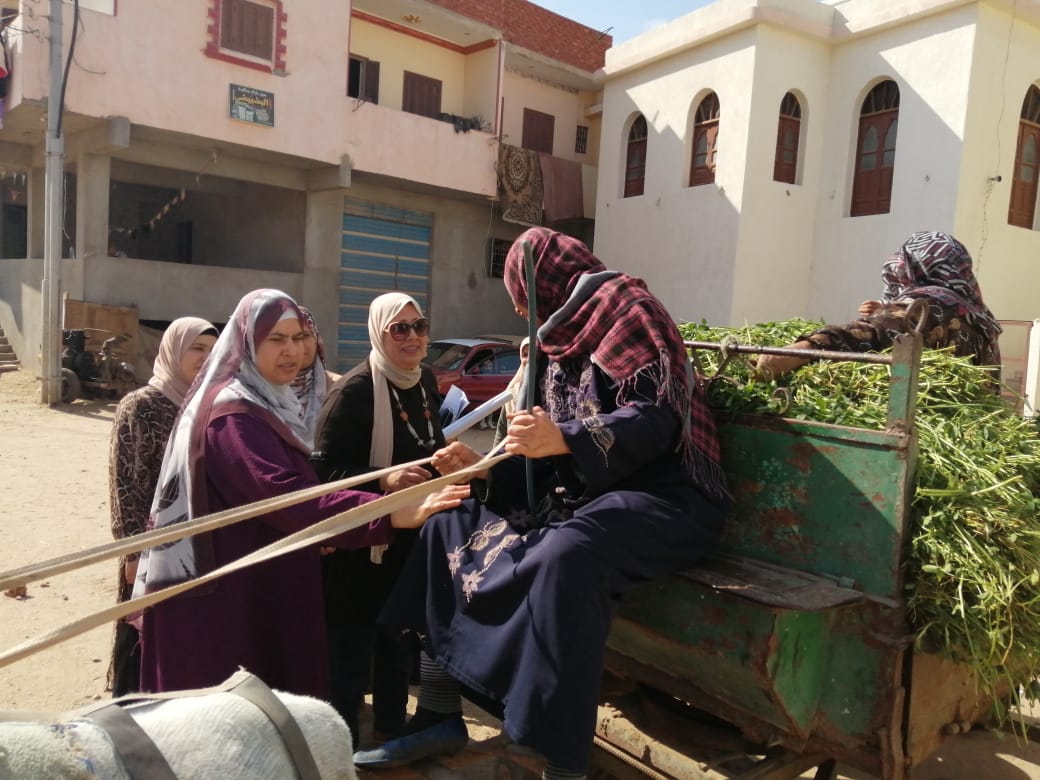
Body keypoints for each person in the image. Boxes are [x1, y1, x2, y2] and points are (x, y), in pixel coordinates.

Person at [353, 228, 732, 779]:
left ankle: (556, 760)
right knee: (446, 516)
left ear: (548, 281)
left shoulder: (631, 311)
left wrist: (567, 437)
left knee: (564, 556)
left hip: (666, 494)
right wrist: (481, 470)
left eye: (518, 293)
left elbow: (657, 417)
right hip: (587, 495)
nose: (515, 307)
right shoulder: (552, 341)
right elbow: (536, 454)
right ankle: (437, 711)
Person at [132, 288, 468, 699]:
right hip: (232, 597)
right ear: (246, 343)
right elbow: (287, 497)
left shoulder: (268, 401)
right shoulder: (233, 417)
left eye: (298, 337)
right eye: (275, 339)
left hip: (261, 578)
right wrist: (389, 512)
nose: (291, 350)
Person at [311, 292, 443, 747]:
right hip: (359, 547)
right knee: (349, 652)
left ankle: (391, 728)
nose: (412, 337)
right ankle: (341, 745)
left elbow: (428, 442)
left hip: (407, 538)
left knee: (397, 640)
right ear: (377, 333)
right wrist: (382, 479)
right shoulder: (354, 392)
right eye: (398, 328)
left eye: (418, 326)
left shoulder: (424, 380)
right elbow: (322, 475)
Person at [108, 316, 218, 696]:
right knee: (140, 632)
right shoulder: (141, 405)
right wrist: (132, 551)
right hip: (150, 545)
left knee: (181, 635)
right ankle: (127, 707)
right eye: (197, 348)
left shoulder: (204, 406)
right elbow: (126, 483)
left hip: (191, 543)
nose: (205, 358)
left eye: (212, 350)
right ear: (173, 351)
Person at [755, 231, 1003, 380]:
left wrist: (795, 352)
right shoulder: (981, 320)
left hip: (916, 425)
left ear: (915, 265)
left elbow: (872, 333)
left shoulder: (927, 306)